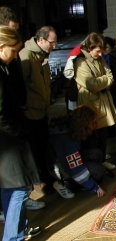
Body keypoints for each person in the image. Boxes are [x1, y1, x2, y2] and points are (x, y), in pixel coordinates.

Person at [0, 25, 41, 241]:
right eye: (13, 51)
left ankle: (20, 230)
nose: (16, 56)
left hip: (8, 140)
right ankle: (12, 238)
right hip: (8, 141)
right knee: (20, 189)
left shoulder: (3, 66)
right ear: (1, 46)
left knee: (10, 187)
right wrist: (18, 130)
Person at [73, 32, 116, 170]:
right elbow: (92, 85)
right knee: (92, 136)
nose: (100, 54)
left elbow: (110, 76)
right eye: (98, 51)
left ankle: (102, 158)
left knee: (103, 135)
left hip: (103, 103)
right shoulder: (81, 62)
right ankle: (94, 165)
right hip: (90, 105)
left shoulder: (100, 59)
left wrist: (103, 80)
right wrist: (104, 80)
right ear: (89, 48)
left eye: (102, 51)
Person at [19, 26, 57, 196]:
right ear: (40, 40)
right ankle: (38, 185)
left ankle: (46, 178)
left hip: (42, 110)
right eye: (52, 42)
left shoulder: (42, 56)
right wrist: (25, 106)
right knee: (35, 150)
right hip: (31, 113)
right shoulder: (26, 56)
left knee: (43, 149)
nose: (54, 46)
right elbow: (19, 86)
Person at [48, 105, 107, 198]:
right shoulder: (66, 140)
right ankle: (68, 184)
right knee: (100, 171)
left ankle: (84, 178)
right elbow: (74, 168)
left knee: (97, 154)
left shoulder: (70, 125)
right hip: (61, 167)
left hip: (69, 159)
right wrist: (94, 187)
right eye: (92, 122)